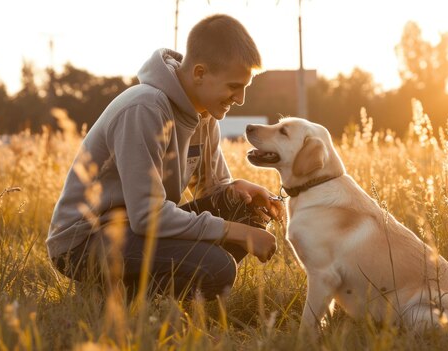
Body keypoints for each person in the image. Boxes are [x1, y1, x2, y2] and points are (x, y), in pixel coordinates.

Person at [47, 14, 283, 301]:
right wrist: (236, 233)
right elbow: (147, 216)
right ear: (199, 73)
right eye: (234, 86)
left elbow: (210, 189)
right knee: (217, 268)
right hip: (85, 242)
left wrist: (236, 188)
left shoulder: (206, 113)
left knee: (246, 209)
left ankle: (132, 292)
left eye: (245, 87)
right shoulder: (145, 108)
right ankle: (127, 300)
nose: (241, 98)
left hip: (134, 229)